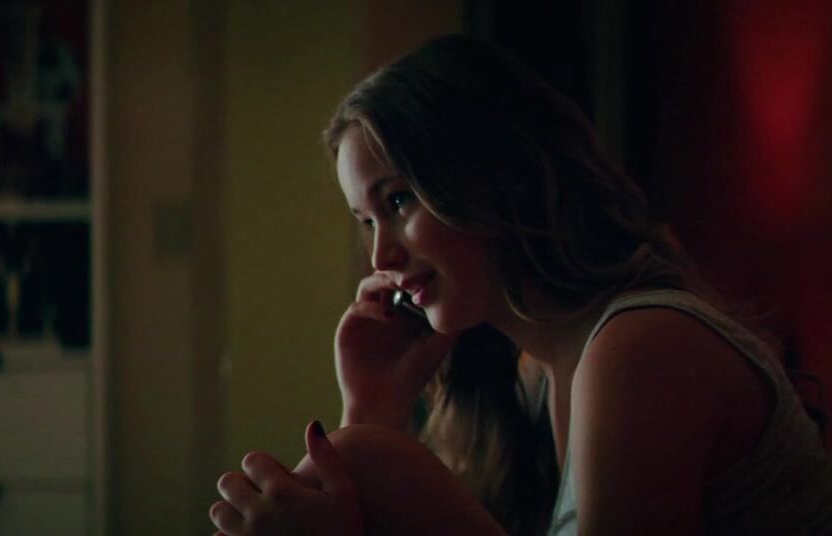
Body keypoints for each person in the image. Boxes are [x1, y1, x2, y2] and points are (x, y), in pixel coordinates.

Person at [208, 34, 832, 535]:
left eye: (399, 201)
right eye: (367, 221)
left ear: (501, 175)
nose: (381, 254)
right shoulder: (529, 377)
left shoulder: (642, 347)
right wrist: (374, 407)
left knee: (371, 462)